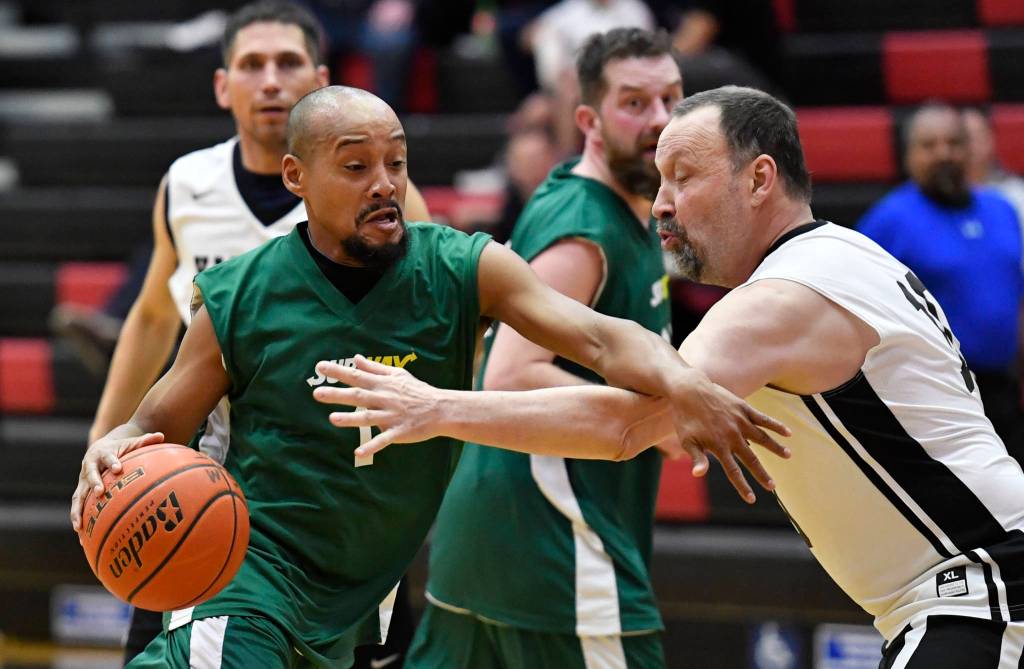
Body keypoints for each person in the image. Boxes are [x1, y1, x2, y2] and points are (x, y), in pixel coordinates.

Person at [69, 85, 788, 669]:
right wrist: (117, 443)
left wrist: (683, 379)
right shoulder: (238, 294)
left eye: (396, 162)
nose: (384, 184)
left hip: (364, 599)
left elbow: (600, 337)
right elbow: (153, 425)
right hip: (247, 577)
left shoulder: (460, 268)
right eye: (356, 167)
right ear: (298, 178)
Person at [316, 86, 1024, 668]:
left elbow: (624, 424)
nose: (661, 203)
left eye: (683, 176)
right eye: (658, 181)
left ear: (759, 178)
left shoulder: (781, 298)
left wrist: (437, 407)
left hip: (983, 588)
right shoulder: (843, 256)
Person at [83, 2, 430, 666]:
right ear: (223, 85)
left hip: (337, 508)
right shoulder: (187, 184)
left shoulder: (377, 196)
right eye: (251, 64)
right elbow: (155, 315)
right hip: (201, 494)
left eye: (288, 62)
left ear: (321, 79)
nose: (271, 80)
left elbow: (431, 322)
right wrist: (105, 443)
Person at [403, 27, 681, 669]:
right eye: (635, 103)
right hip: (553, 539)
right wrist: (660, 415)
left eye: (671, 98)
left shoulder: (620, 208)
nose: (661, 119)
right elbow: (509, 375)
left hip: (489, 540)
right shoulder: (583, 228)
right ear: (587, 119)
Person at [858, 103, 1024, 461]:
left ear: (970, 149)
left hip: (1004, 391)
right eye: (929, 145)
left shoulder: (1002, 209)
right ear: (909, 155)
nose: (943, 153)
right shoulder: (889, 220)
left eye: (953, 142)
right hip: (935, 399)